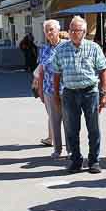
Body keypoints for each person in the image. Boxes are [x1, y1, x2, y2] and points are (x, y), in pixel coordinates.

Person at [52, 16, 106, 174]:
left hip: (90, 92)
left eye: (77, 30)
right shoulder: (60, 49)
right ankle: (76, 160)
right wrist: (56, 95)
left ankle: (93, 161)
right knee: (71, 129)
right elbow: (56, 73)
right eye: (71, 30)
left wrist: (103, 94)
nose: (73, 33)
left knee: (94, 128)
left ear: (84, 32)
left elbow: (103, 69)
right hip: (69, 93)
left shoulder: (93, 47)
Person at [37, 19, 67, 159]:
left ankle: (71, 150)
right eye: (46, 30)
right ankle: (57, 149)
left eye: (51, 29)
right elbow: (41, 70)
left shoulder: (67, 46)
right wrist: (40, 91)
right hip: (49, 90)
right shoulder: (44, 49)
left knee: (69, 121)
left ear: (58, 30)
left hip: (67, 90)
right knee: (54, 121)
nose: (49, 33)